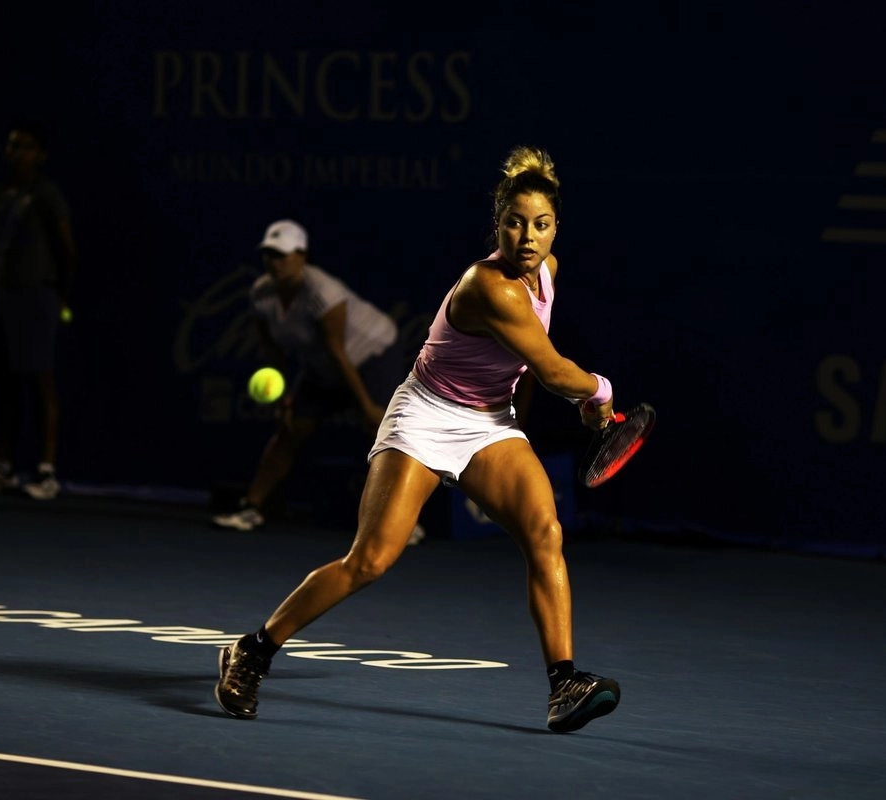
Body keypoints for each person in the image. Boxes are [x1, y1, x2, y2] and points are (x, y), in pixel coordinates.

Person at [213, 145, 623, 734]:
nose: (527, 238)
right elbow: (557, 371)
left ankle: (564, 684)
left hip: (489, 423)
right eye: (514, 222)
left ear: (556, 227)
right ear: (497, 224)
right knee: (371, 560)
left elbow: (539, 367)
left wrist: (577, 400)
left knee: (544, 531)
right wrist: (600, 393)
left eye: (541, 225)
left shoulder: (547, 273)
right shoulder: (491, 287)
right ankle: (251, 651)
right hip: (425, 416)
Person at [212, 219, 424, 546]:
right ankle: (251, 508)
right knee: (290, 429)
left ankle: (406, 522)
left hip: (372, 354)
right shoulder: (261, 294)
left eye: (282, 255)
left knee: (384, 434)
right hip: (323, 364)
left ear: (302, 256)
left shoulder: (323, 292)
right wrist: (283, 397)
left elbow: (339, 353)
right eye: (269, 255)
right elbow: (274, 354)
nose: (275, 262)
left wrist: (368, 407)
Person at [0, 119, 77, 501]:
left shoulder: (46, 194)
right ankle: (3, 467)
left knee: (41, 382)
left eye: (24, 146)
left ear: (40, 155)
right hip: (2, 297)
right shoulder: (2, 195)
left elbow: (66, 248)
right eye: (11, 145)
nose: (15, 153)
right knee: (5, 382)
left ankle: (46, 472)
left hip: (37, 297)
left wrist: (60, 295)